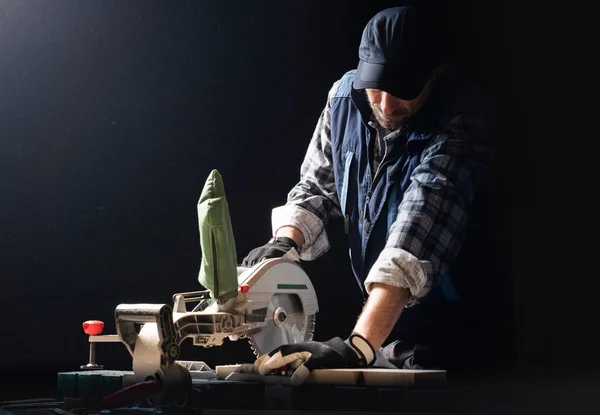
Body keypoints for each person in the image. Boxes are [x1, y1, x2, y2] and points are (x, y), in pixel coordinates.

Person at [242, 5, 496, 385]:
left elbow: (415, 235)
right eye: (377, 86)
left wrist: (358, 347)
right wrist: (284, 244)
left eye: (404, 91)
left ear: (436, 75)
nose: (386, 105)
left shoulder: (460, 125)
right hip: (380, 325)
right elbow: (317, 185)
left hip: (453, 337)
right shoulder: (344, 100)